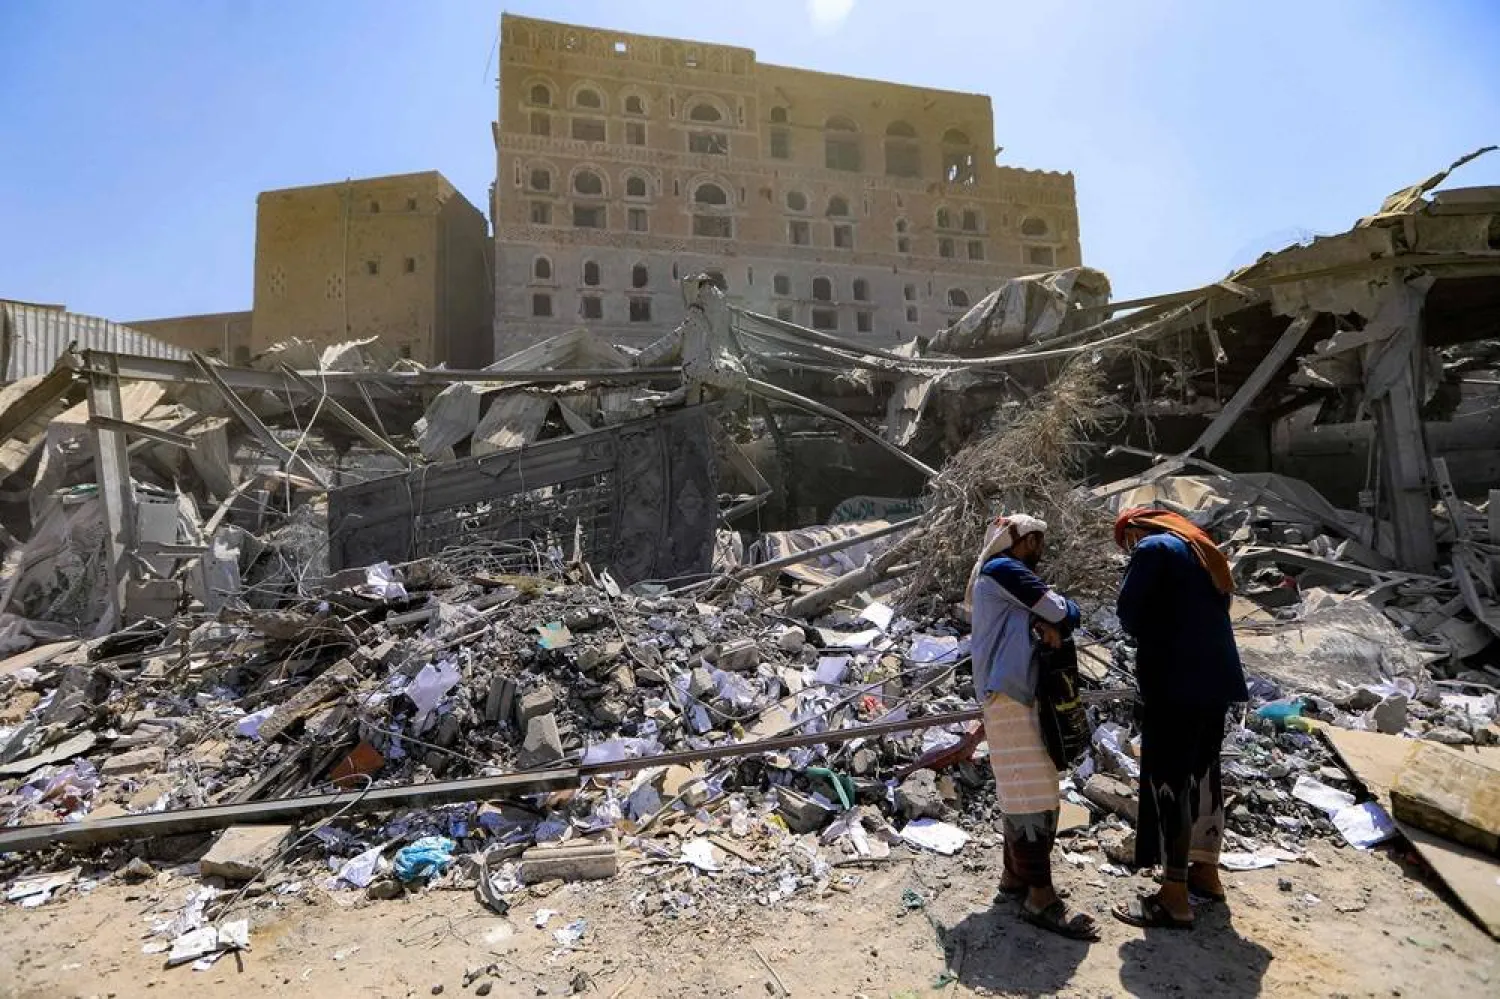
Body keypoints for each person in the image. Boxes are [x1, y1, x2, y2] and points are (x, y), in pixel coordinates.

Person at [1111, 507, 1248, 930]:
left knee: (1169, 780)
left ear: (1136, 529)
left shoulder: (1152, 547)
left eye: (1125, 543)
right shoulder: (1200, 550)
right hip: (1216, 680)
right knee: (1205, 775)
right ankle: (1206, 873)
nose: (1128, 550)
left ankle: (1174, 897)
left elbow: (1129, 614)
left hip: (1174, 682)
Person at [963, 513, 1098, 941]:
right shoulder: (1004, 569)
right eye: (1034, 538)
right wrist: (1062, 614)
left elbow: (1050, 615)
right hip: (1011, 695)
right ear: (1015, 540)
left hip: (1009, 693)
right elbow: (1061, 610)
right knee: (1033, 791)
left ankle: (1014, 878)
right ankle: (1040, 897)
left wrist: (1053, 618)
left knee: (1021, 786)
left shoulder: (1005, 577)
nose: (1040, 546)